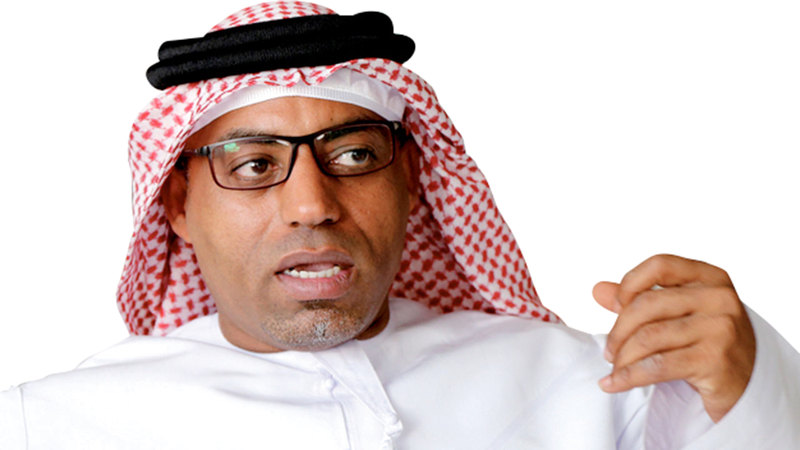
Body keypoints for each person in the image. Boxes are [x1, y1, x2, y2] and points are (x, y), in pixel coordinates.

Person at [1, 2, 798, 448]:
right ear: (177, 205)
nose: (312, 204)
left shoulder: (600, 389)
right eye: (252, 165)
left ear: (412, 178)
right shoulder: (52, 427)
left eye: (353, 154)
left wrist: (757, 380)